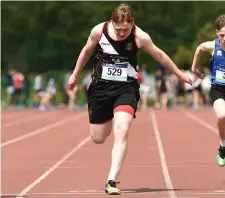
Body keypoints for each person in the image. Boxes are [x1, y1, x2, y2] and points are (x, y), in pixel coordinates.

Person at [68, 3, 192, 195]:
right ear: (112, 22)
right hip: (100, 88)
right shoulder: (99, 31)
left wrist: (178, 74)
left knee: (122, 129)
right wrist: (75, 75)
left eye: (126, 29)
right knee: (98, 137)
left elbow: (159, 55)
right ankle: (107, 115)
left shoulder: (140, 36)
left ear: (132, 24)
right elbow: (86, 51)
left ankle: (111, 180)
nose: (122, 33)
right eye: (118, 29)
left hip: (126, 87)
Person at [191, 14, 225, 167]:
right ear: (217, 32)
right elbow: (199, 48)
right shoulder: (213, 46)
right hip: (218, 89)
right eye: (222, 35)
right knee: (222, 116)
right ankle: (223, 147)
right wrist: (194, 67)